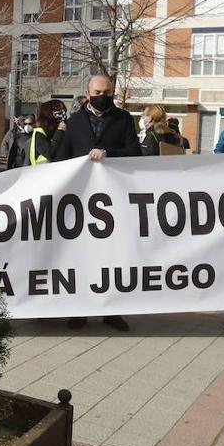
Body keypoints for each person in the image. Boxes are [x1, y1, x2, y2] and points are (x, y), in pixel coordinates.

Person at [54, 74, 141, 332]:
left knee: (113, 256)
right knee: (82, 257)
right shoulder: (75, 122)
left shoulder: (123, 119)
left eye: (107, 92)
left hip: (113, 200)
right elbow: (61, 159)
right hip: (82, 202)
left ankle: (112, 310)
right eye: (97, 91)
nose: (102, 96)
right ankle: (80, 309)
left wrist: (109, 154)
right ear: (88, 92)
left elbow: (135, 153)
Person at [29, 100, 67, 166]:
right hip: (44, 173)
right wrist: (60, 132)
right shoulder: (40, 133)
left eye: (63, 110)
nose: (62, 114)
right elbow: (51, 154)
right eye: (58, 111)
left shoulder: (62, 128)